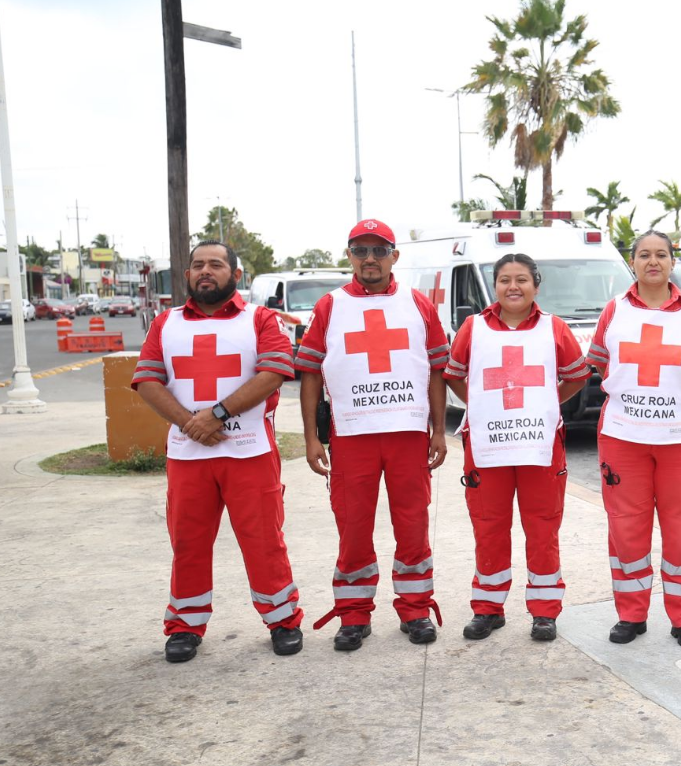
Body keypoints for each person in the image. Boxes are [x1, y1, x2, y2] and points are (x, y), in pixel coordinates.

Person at [132, 240, 303, 662]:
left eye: (215, 264)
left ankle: (283, 620)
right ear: (187, 276)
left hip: (249, 452)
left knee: (264, 540)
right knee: (187, 542)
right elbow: (148, 381)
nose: (205, 271)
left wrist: (218, 414)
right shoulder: (165, 324)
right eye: (197, 266)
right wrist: (191, 423)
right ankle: (184, 626)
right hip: (188, 454)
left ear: (236, 275)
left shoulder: (260, 319)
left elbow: (276, 371)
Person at [294, 219, 450, 650]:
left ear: (394, 257)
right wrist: (311, 438)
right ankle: (353, 614)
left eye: (379, 250)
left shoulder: (417, 304)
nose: (370, 259)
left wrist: (439, 431)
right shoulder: (329, 307)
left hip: (406, 435)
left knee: (413, 525)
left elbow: (438, 369)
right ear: (349, 256)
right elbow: (309, 374)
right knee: (354, 528)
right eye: (360, 250)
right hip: (351, 436)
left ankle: (416, 609)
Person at [586, 230, 681, 651]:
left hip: (680, 439)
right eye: (644, 254)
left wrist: (668, 403)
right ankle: (631, 614)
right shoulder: (614, 311)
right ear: (633, 262)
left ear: (672, 262)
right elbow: (600, 365)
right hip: (624, 440)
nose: (652, 261)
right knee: (627, 531)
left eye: (661, 254)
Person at [443, 253, 590, 642]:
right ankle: (488, 609)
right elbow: (454, 376)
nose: (513, 287)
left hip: (539, 446)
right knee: (489, 527)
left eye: (522, 279)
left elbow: (577, 375)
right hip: (488, 447)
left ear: (536, 285)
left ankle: (544, 612)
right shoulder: (472, 328)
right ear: (494, 286)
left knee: (542, 527)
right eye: (505, 279)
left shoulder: (554, 328)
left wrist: (546, 404)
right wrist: (480, 405)